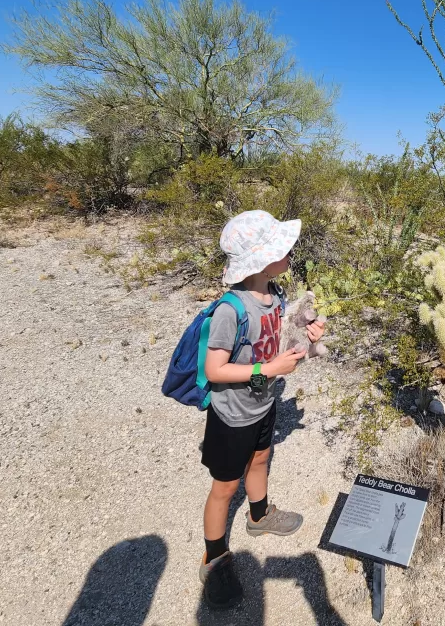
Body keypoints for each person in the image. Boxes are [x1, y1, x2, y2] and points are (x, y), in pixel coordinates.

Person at [198, 210, 326, 610]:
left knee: (260, 460)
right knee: (224, 487)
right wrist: (267, 369)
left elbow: (279, 349)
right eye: (281, 248)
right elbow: (214, 368)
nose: (289, 252)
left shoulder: (276, 298)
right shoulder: (230, 309)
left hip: (262, 405)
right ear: (260, 260)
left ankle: (258, 516)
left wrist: (306, 338)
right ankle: (214, 555)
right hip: (232, 413)